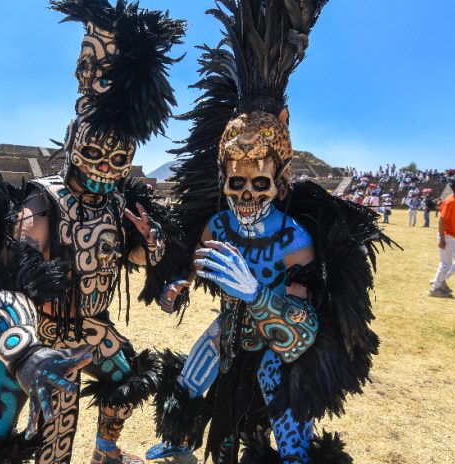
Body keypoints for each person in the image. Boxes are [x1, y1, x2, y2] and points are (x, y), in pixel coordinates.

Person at [0, 3, 185, 464]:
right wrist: (23, 353)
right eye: (96, 152)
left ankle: (106, 448)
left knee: (130, 379)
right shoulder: (41, 204)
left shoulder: (119, 205)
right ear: (73, 146)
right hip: (41, 334)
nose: (105, 165)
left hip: (94, 329)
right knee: (27, 442)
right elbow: (2, 281)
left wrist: (151, 243)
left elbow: (134, 259)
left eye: (118, 158)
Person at [147, 2, 393, 462]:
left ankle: (294, 456)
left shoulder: (294, 238)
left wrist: (255, 294)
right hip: (232, 329)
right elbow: (199, 269)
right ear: (222, 180)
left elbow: (302, 333)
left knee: (279, 388)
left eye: (259, 183)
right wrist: (179, 285)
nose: (245, 195)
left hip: (276, 343)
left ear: (280, 182)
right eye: (235, 182)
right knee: (196, 369)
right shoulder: (217, 225)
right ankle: (179, 438)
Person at [429, 177, 455, 297]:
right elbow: (441, 221)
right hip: (447, 236)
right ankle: (435, 289)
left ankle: (440, 279)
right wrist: (442, 239)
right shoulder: (450, 201)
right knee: (445, 264)